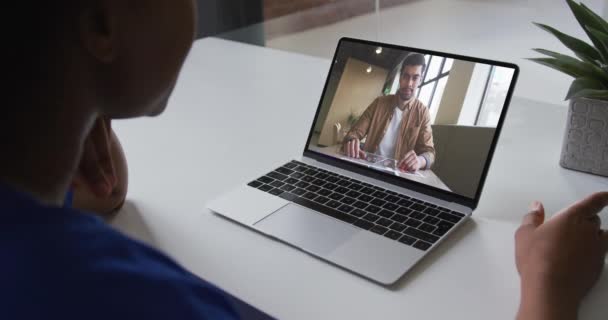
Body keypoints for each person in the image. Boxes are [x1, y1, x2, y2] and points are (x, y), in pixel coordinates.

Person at [0, 2, 605, 320]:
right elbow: (350, 135)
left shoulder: (40, 176)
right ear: (102, 25)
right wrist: (547, 287)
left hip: (403, 185)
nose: (414, 84)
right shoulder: (136, 301)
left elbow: (428, 152)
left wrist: (82, 113)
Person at [343, 53, 435, 172]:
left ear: (420, 80)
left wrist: (420, 160)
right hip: (368, 168)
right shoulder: (379, 103)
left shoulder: (423, 113)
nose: (409, 84)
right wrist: (351, 140)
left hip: (398, 175)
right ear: (400, 77)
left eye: (415, 78)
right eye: (406, 76)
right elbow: (354, 133)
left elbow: (429, 153)